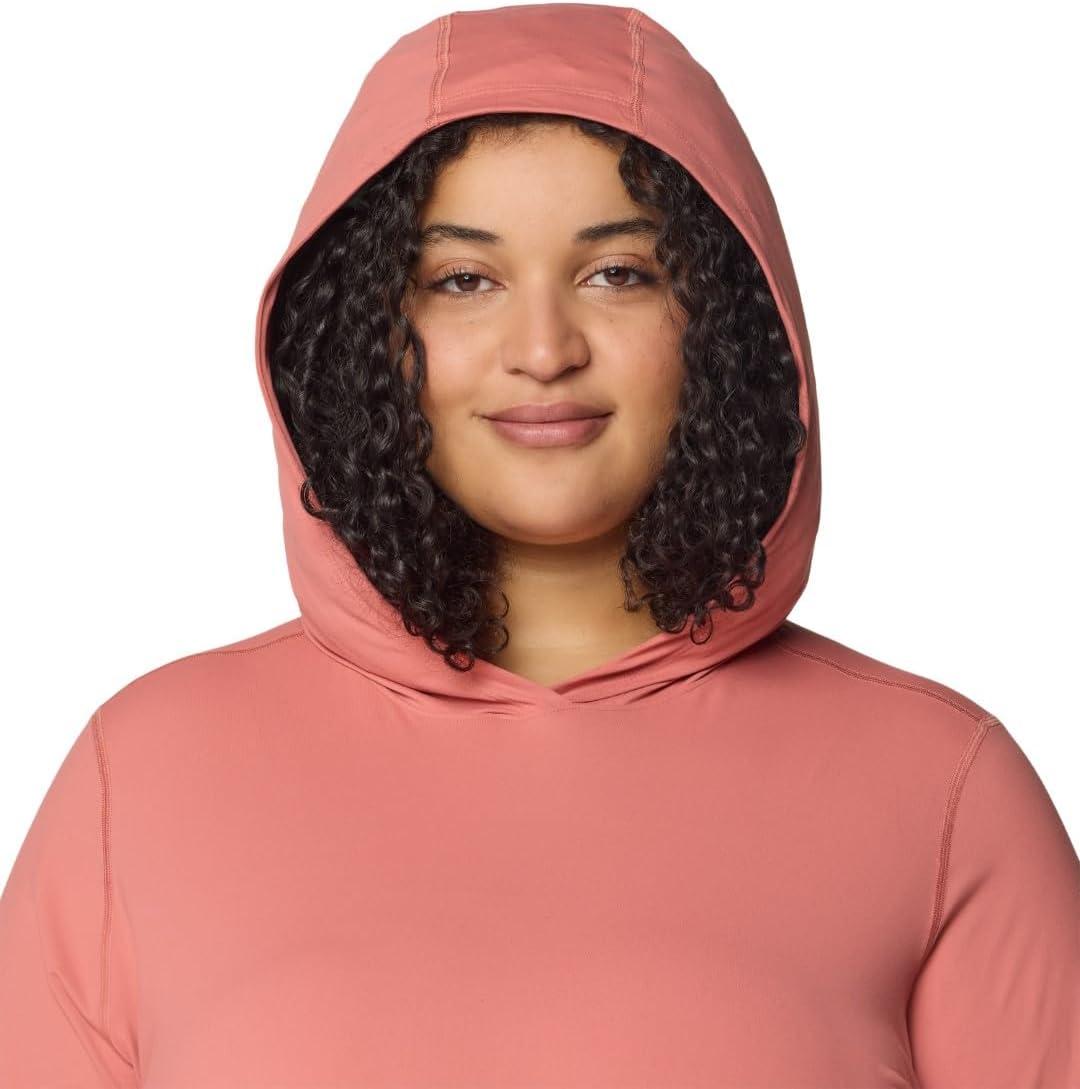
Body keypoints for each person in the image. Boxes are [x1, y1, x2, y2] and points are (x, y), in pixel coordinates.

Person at [1, 4, 1077, 1086]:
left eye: (619, 272)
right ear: (360, 329)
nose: (545, 349)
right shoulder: (143, 777)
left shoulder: (942, 788)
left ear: (726, 319)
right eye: (463, 280)